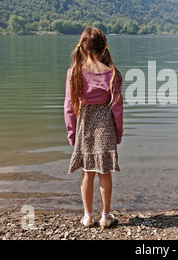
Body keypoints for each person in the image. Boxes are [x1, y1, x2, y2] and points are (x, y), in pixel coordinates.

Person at [64, 27, 123, 228]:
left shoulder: (74, 73)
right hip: (106, 126)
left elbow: (68, 107)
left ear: (81, 48)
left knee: (87, 171)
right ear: (103, 49)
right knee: (104, 171)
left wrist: (71, 132)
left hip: (85, 126)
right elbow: (117, 108)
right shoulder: (113, 74)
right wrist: (119, 131)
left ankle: (88, 216)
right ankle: (106, 216)